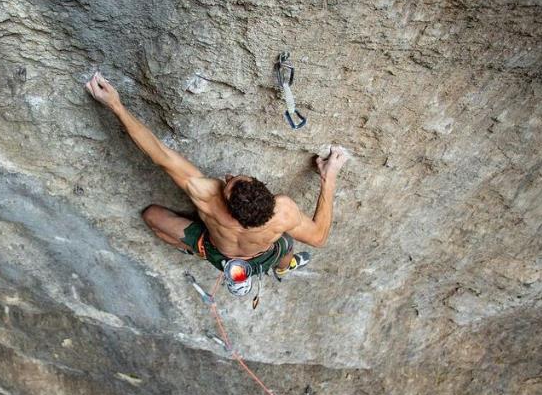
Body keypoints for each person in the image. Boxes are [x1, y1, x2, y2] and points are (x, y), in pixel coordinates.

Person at [84, 72, 348, 278]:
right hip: (263, 252)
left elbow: (159, 155)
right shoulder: (284, 212)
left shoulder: (208, 198)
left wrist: (116, 105)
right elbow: (318, 238)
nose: (230, 174)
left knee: (152, 217)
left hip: (219, 251)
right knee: (285, 242)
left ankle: (207, 253)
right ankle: (283, 264)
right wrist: (329, 176)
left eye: (229, 182)